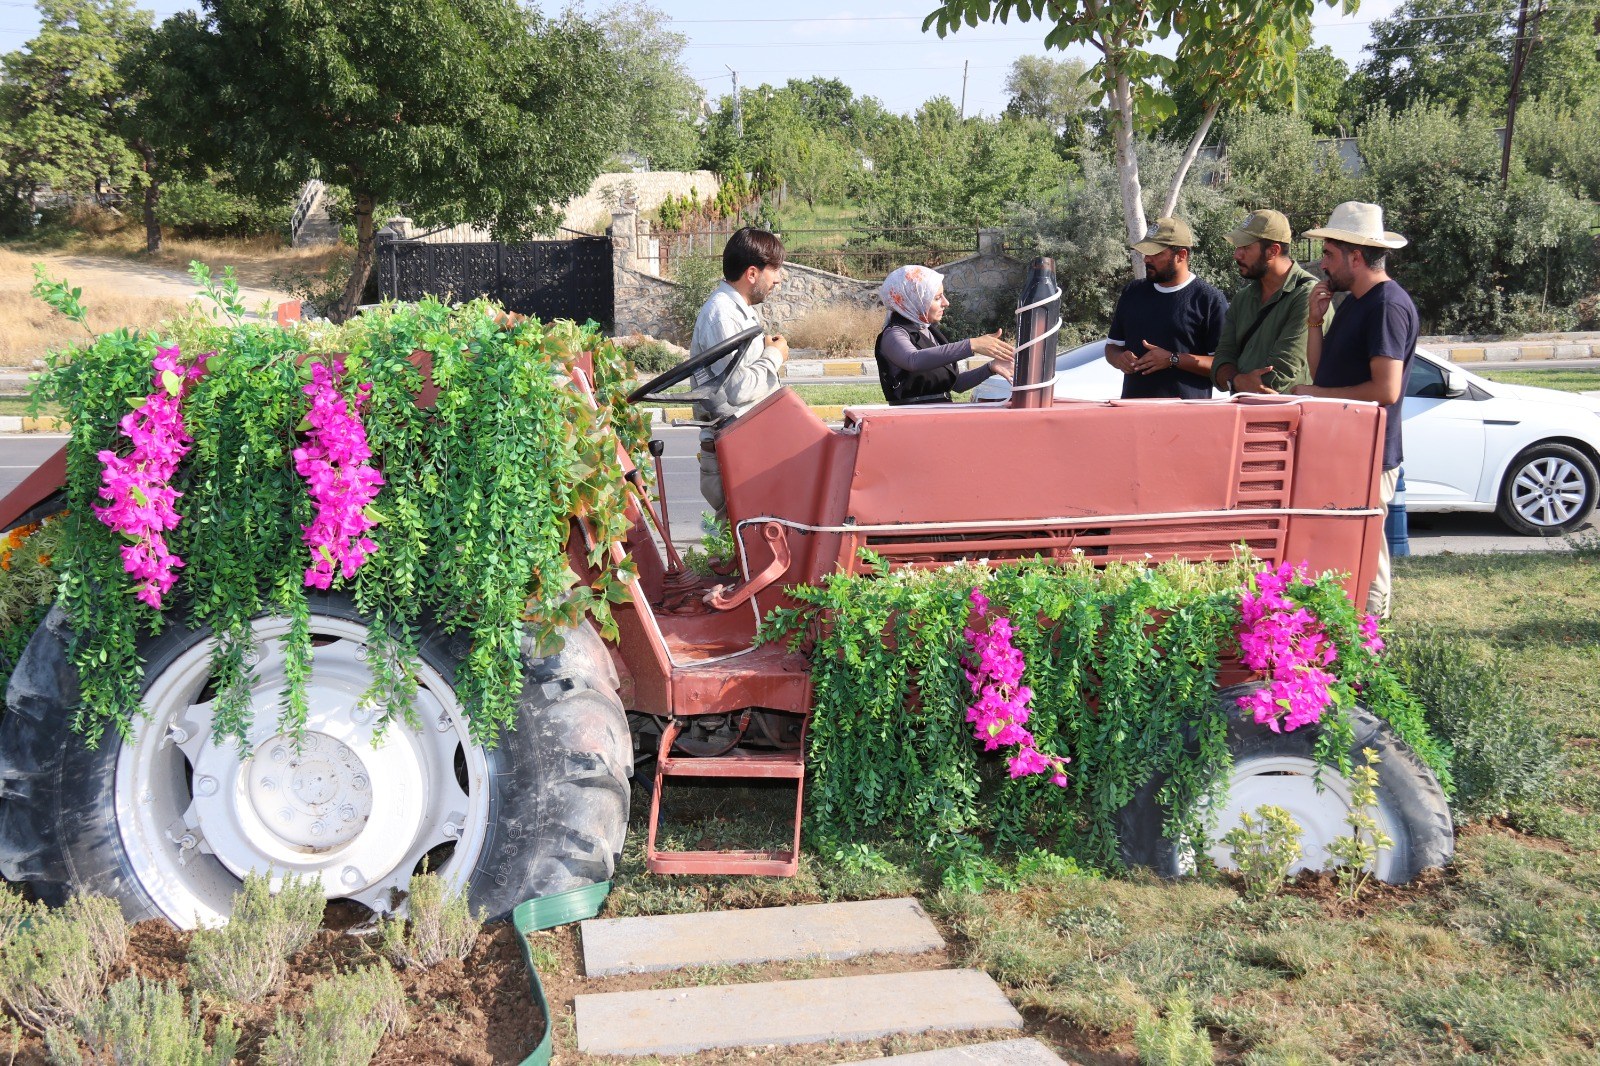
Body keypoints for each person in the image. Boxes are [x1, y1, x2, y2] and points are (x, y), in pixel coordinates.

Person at [1291, 201, 1418, 617]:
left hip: (1370, 454)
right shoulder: (1355, 302)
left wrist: (1312, 394)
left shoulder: (1386, 305)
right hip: (1348, 451)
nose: (1323, 264)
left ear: (1356, 257)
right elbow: (1322, 373)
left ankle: (1372, 636)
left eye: (1328, 254)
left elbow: (1386, 388)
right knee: (1347, 549)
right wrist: (1314, 321)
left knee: (1367, 549)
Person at [689, 227, 790, 519]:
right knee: (742, 549)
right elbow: (738, 390)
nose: (779, 279)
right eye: (774, 270)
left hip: (747, 447)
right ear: (752, 273)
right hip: (734, 454)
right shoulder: (722, 314)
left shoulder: (739, 310)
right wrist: (774, 355)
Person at [1104, 217, 1228, 399]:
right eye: (1145, 253)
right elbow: (1112, 348)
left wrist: (1173, 359)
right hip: (1133, 415)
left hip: (1186, 418)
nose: (1147, 259)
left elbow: (1223, 366)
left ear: (1182, 255)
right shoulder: (1132, 292)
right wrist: (1119, 359)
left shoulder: (1209, 299)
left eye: (1156, 253)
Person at [1210, 209, 1319, 395]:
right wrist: (1237, 380)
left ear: (1273, 251)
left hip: (1289, 418)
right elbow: (1221, 359)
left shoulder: (1308, 295)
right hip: (1243, 412)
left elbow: (1279, 375)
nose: (1237, 255)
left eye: (1245, 247)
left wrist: (1236, 382)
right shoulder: (1243, 298)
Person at [874, 265, 1015, 405]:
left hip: (938, 418)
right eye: (937, 298)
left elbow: (956, 384)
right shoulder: (894, 334)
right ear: (915, 300)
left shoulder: (930, 332)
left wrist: (990, 368)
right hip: (912, 421)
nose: (946, 303)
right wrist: (971, 345)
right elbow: (913, 360)